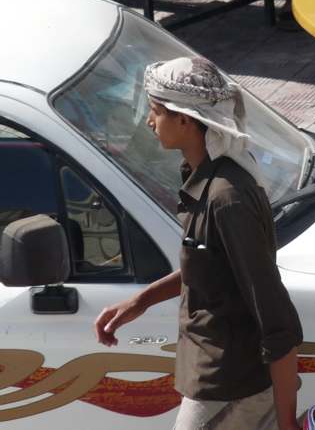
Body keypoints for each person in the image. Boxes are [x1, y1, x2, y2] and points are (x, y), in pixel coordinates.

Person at [94, 56, 303, 430]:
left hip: (231, 388)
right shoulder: (204, 177)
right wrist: (140, 301)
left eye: (156, 111)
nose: (149, 121)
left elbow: (277, 320)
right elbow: (210, 267)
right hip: (213, 379)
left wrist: (287, 422)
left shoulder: (227, 198)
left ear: (185, 120)